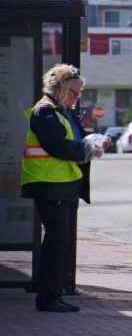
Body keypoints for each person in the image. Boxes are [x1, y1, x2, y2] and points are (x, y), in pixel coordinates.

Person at [21, 64, 111, 313]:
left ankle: (54, 294)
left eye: (79, 93)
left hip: (63, 185)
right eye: (74, 92)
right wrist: (88, 149)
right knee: (56, 240)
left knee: (61, 241)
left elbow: (78, 140)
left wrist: (96, 143)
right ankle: (48, 297)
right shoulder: (45, 112)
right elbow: (59, 146)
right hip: (50, 184)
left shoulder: (63, 111)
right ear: (60, 88)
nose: (76, 98)